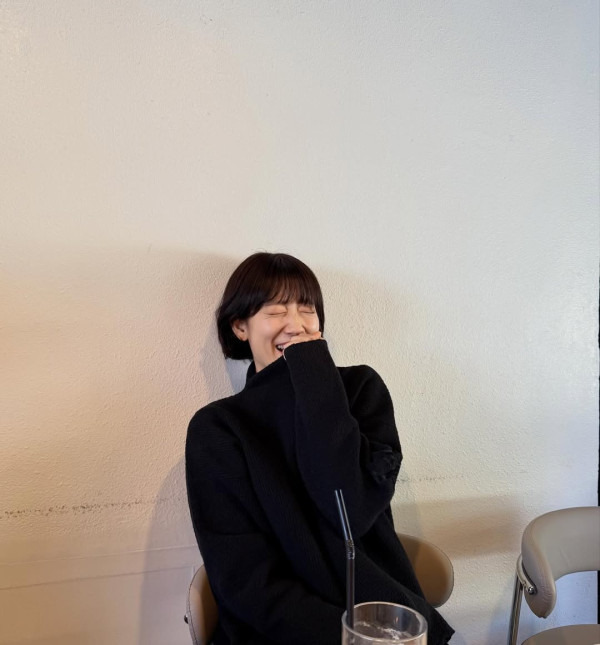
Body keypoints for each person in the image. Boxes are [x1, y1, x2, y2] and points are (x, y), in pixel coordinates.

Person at [186, 252, 454, 645]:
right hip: (281, 633)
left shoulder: (360, 391)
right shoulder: (218, 429)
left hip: (381, 621)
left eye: (307, 309)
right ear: (240, 326)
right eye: (276, 311)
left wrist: (312, 372)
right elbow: (245, 581)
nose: (295, 324)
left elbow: (349, 510)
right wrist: (348, 637)